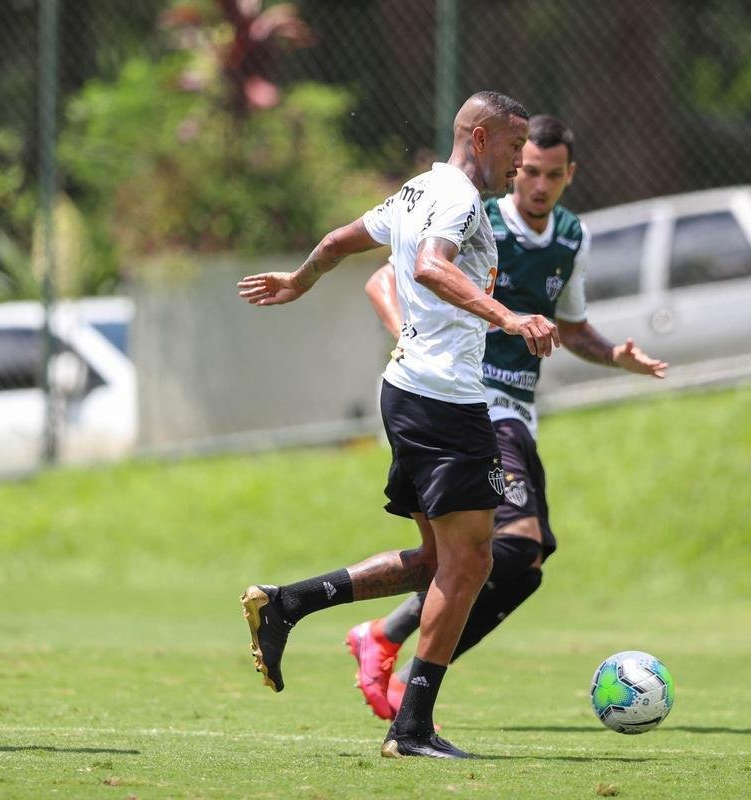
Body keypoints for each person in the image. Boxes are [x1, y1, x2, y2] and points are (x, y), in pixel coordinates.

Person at [235, 91, 559, 760]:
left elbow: (339, 241)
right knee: (472, 562)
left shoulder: (417, 190)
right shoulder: (458, 199)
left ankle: (288, 604)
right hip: (445, 401)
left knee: (440, 561)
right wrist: (509, 318)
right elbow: (429, 266)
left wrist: (301, 279)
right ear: (479, 139)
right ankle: (411, 730)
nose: (519, 159)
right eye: (512, 145)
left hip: (408, 392)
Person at [348, 114, 667, 722]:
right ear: (515, 166)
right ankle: (402, 669)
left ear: (570, 175)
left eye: (553, 175)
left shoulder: (572, 236)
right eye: (530, 171)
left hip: (518, 412)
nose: (538, 185)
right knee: (514, 547)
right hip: (471, 403)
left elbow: (571, 327)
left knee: (525, 565)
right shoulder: (477, 215)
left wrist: (614, 356)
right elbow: (382, 280)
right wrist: (412, 340)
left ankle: (383, 639)